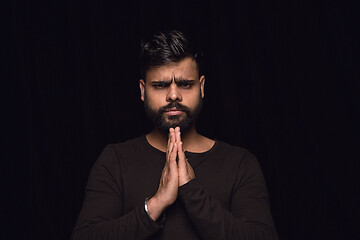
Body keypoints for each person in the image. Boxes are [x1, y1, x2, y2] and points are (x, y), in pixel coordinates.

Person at [72, 30, 278, 240]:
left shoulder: (240, 163)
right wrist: (156, 203)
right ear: (143, 90)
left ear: (202, 87)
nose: (173, 95)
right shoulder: (114, 160)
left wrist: (191, 191)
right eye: (160, 85)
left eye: (185, 84)